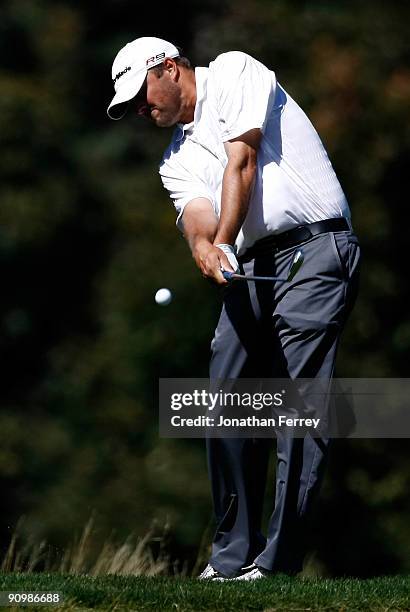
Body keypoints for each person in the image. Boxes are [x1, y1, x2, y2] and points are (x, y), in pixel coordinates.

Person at [107, 36, 360, 581]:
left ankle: (278, 563)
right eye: (129, 107)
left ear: (169, 68)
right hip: (251, 265)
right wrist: (205, 247)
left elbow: (240, 163)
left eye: (141, 95)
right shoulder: (174, 159)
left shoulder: (234, 72)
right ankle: (230, 561)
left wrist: (220, 240)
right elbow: (197, 218)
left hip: (314, 251)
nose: (140, 110)